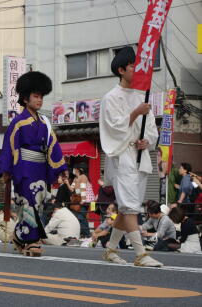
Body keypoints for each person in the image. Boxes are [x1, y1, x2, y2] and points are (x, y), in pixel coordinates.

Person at [99, 46, 162, 267]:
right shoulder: (111, 97)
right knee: (129, 206)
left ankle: (110, 249)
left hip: (140, 154)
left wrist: (148, 140)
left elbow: (152, 128)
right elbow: (113, 127)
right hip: (122, 154)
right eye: (133, 65)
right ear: (121, 70)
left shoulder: (141, 96)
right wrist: (135, 113)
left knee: (129, 206)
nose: (137, 69)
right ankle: (140, 254)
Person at [0, 71, 67, 256]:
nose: (40, 100)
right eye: (36, 96)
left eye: (41, 96)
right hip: (24, 167)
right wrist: (6, 170)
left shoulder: (44, 122)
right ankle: (31, 240)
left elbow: (53, 144)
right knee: (28, 203)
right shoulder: (18, 123)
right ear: (25, 98)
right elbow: (9, 146)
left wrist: (61, 168)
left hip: (41, 168)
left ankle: (20, 236)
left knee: (39, 203)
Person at [68, 163, 94, 237]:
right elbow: (71, 189)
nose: (74, 170)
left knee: (81, 216)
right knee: (80, 216)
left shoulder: (83, 177)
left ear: (79, 170)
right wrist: (67, 183)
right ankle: (85, 233)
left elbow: (83, 188)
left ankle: (87, 234)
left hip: (85, 200)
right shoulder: (76, 179)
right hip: (80, 200)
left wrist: (83, 199)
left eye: (75, 169)